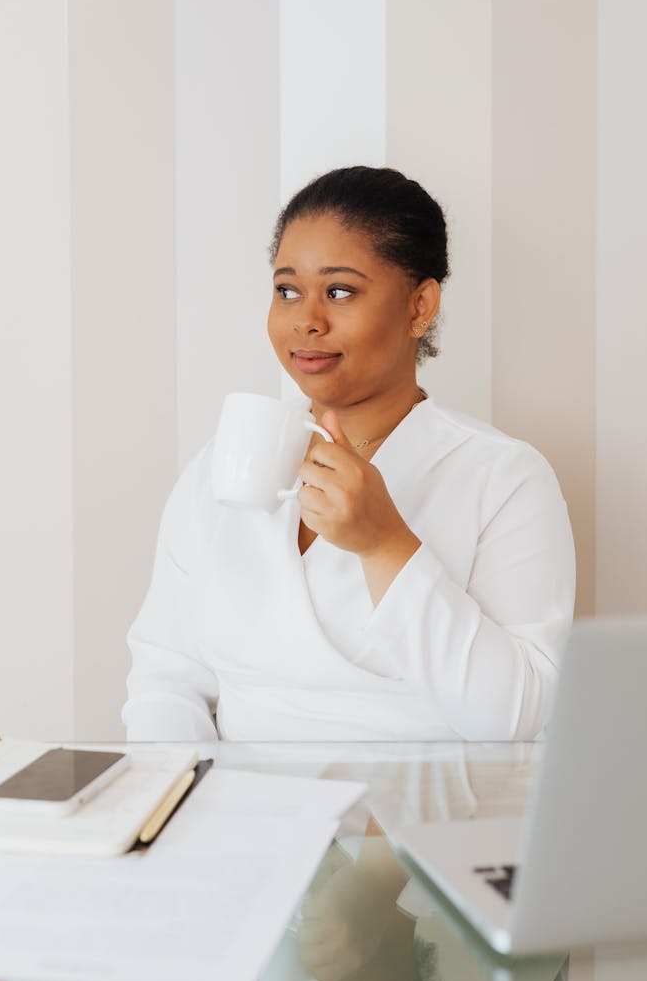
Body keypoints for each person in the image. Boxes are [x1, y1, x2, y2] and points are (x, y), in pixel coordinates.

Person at [122, 166, 575, 742]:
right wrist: (182, 812)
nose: (307, 320)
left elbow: (515, 718)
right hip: (244, 817)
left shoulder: (504, 477)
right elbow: (166, 679)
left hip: (429, 823)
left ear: (419, 306)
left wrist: (386, 546)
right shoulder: (223, 464)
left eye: (339, 291)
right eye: (287, 290)